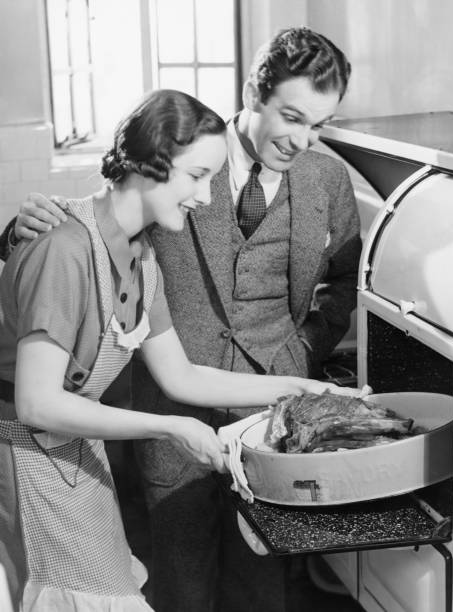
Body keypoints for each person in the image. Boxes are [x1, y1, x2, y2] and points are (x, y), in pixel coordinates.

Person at [2, 27, 362, 612]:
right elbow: (78, 247)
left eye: (317, 127)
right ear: (254, 92)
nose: (303, 140)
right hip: (103, 434)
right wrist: (20, 232)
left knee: (260, 581)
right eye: (292, 117)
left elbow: (338, 285)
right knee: (171, 581)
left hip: (228, 421)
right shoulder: (168, 163)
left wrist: (305, 379)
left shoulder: (149, 261)